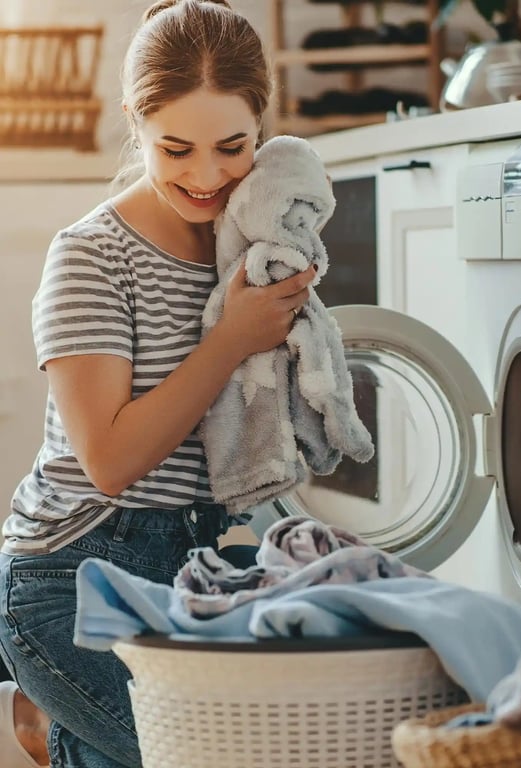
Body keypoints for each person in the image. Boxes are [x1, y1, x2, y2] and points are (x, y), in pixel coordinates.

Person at [0, 1, 317, 766]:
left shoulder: (250, 244)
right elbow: (110, 462)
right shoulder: (91, 258)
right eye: (175, 149)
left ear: (262, 132)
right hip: (69, 576)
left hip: (194, 560)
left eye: (232, 148)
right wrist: (229, 339)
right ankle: (52, 695)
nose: (206, 177)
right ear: (134, 126)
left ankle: (60, 720)